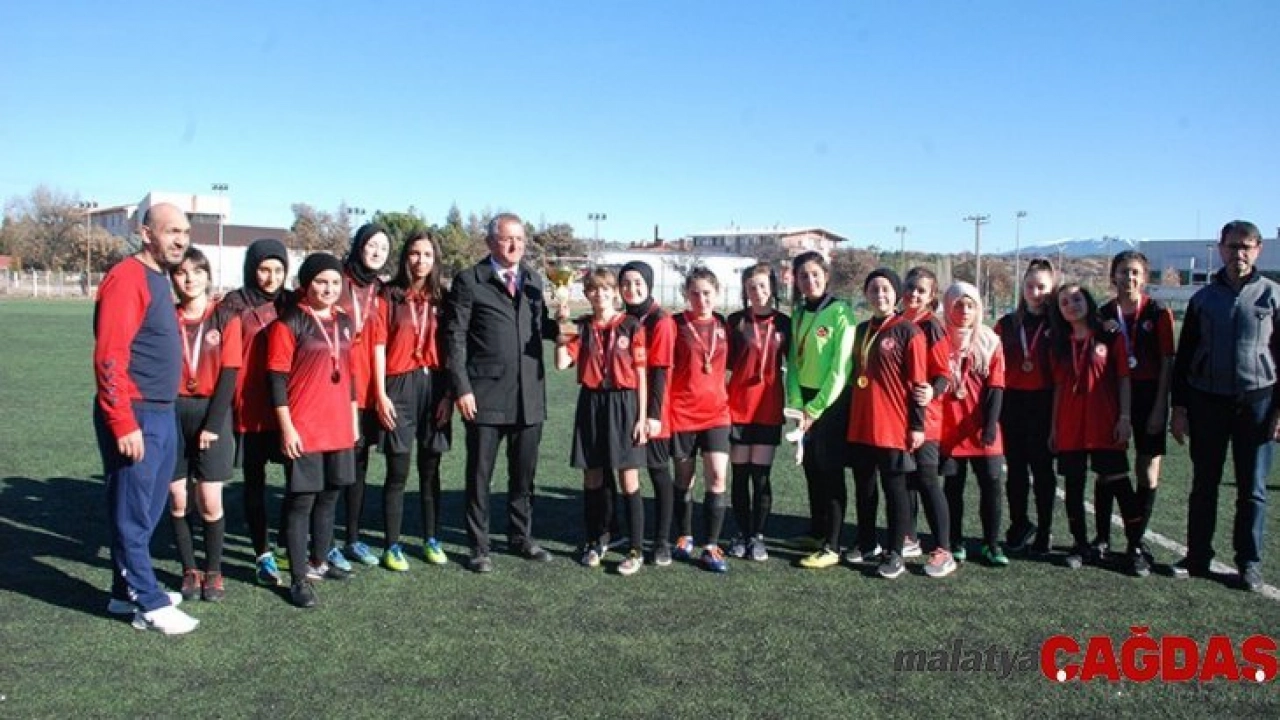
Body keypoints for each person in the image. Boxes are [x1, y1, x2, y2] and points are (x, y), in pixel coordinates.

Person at [93, 202, 199, 634]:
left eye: (185, 232)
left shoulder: (159, 279)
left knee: (148, 508)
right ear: (146, 233)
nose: (180, 240)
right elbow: (109, 356)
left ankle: (124, 593)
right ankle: (149, 602)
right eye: (171, 231)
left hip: (160, 410)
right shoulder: (127, 278)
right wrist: (122, 422)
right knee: (132, 512)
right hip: (136, 413)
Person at [445, 213, 559, 573]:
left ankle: (520, 537)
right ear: (490, 242)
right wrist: (462, 388)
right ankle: (479, 547)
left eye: (520, 239)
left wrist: (564, 323)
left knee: (524, 476)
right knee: (480, 476)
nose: (515, 246)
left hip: (530, 396)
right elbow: (454, 338)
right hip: (485, 395)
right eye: (508, 239)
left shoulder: (534, 281)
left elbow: (541, 328)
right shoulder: (469, 280)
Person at [1171, 220, 1280, 592]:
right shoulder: (1203, 299)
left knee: (1253, 488)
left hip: (1258, 402)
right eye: (1233, 246)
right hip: (1207, 401)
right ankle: (1197, 556)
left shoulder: (1273, 296)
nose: (1239, 254)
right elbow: (1185, 358)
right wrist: (1179, 408)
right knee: (1204, 483)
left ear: (1258, 249)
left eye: (1246, 246)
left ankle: (1249, 562)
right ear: (1221, 249)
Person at [267, 253, 359, 607]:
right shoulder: (290, 322)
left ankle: (320, 559)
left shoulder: (345, 321)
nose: (329, 288)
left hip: (338, 422)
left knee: (331, 494)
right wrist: (287, 428)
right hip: (305, 425)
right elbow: (276, 379)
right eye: (321, 281)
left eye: (335, 282)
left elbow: (350, 373)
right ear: (306, 284)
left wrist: (353, 418)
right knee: (301, 501)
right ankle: (298, 578)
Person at [1048, 283, 1146, 575]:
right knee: (1074, 486)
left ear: (1088, 302)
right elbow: (1058, 388)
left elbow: (1123, 379)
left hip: (1104, 420)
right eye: (1065, 302)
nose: (1072, 305)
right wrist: (1054, 428)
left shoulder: (1109, 335)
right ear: (1059, 311)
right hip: (1070, 423)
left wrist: (1125, 417)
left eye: (1077, 299)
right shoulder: (1059, 343)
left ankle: (1136, 547)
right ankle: (1080, 545)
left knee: (1119, 483)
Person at [556, 268, 648, 575]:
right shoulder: (581, 326)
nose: (600, 294)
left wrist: (642, 416)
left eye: (605, 288)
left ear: (615, 292)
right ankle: (595, 540)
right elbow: (561, 363)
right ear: (587, 294)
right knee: (592, 476)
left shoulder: (631, 325)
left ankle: (635, 549)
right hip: (591, 403)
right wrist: (561, 326)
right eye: (593, 290)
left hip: (624, 403)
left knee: (628, 479)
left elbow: (642, 375)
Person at [373, 230, 453, 570]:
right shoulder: (389, 294)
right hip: (399, 386)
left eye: (427, 254)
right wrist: (380, 393)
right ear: (405, 257)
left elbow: (453, 348)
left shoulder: (444, 298)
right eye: (415, 253)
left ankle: (431, 538)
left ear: (436, 259)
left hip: (435, 385)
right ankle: (391, 545)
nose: (421, 260)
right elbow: (378, 345)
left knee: (431, 469)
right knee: (398, 469)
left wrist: (449, 394)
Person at [169, 247, 243, 602]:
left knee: (210, 499)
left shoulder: (225, 317)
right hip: (172, 412)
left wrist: (213, 424)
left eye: (197, 271)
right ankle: (189, 568)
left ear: (207, 276)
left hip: (212, 412)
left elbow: (230, 372)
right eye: (182, 272)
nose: (190, 279)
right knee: (178, 497)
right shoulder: (166, 317)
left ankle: (213, 570)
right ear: (173, 277)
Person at [1093, 251, 1174, 565]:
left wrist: (1160, 407)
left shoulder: (1158, 312)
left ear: (1144, 277)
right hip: (1113, 397)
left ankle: (1135, 541)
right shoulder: (1102, 314)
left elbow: (1167, 362)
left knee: (1147, 469)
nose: (1129, 278)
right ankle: (1101, 538)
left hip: (1149, 396)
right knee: (1107, 469)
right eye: (1124, 272)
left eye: (1135, 272)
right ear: (1113, 276)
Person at [845, 268, 927, 580]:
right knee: (864, 487)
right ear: (866, 294)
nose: (880, 295)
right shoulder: (860, 330)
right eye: (874, 289)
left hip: (893, 425)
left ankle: (896, 552)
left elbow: (918, 384)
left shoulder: (909, 332)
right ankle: (867, 542)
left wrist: (917, 425)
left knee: (895, 490)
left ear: (896, 295)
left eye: (886, 289)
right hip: (861, 423)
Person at [221, 238, 291, 586]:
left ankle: (288, 542)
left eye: (278, 270)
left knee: (298, 479)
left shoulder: (293, 302)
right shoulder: (234, 304)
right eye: (264, 269)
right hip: (249, 408)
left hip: (287, 409)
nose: (271, 277)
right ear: (252, 269)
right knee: (254, 482)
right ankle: (262, 552)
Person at [786, 252, 857, 569]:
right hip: (805, 403)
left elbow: (840, 370)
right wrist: (797, 403)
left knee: (830, 472)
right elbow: (794, 362)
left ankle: (833, 544)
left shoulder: (841, 312)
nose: (809, 280)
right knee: (812, 468)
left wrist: (815, 408)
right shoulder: (799, 312)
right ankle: (817, 532)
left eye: (815, 274)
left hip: (831, 403)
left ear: (826, 276)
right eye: (803, 276)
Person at [333, 223, 391, 571]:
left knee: (358, 465)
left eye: (383, 247)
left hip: (366, 388)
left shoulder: (380, 290)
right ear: (358, 245)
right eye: (372, 244)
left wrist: (380, 392)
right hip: (333, 386)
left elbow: (380, 343)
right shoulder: (336, 279)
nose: (377, 252)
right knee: (331, 466)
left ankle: (352, 538)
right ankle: (322, 541)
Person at [667, 267, 733, 572]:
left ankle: (711, 545)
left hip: (717, 413)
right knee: (685, 478)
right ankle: (684, 535)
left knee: (718, 476)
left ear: (716, 294)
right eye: (694, 293)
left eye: (707, 293)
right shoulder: (675, 324)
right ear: (686, 294)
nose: (701, 299)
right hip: (682, 413)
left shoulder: (724, 325)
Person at [939, 281, 1008, 566]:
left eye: (970, 305)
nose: (965, 311)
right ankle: (955, 541)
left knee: (991, 483)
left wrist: (990, 425)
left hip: (982, 428)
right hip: (949, 426)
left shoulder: (990, 340)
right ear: (948, 307)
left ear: (978, 308)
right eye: (958, 305)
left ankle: (991, 543)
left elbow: (996, 386)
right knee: (953, 485)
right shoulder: (939, 337)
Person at [725, 263, 790, 562]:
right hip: (738, 407)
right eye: (752, 287)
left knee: (761, 476)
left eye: (763, 285)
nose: (758, 291)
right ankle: (741, 533)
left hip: (768, 407)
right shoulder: (736, 321)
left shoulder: (785, 323)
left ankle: (757, 536)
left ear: (773, 288)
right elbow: (724, 363)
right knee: (740, 475)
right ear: (745, 290)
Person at [995, 258, 1057, 555]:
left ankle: (1045, 530)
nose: (1036, 293)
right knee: (1016, 469)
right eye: (1030, 286)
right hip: (1012, 403)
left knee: (1043, 469)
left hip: (1045, 402)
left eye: (1042, 287)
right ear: (1022, 289)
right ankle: (1019, 524)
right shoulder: (1007, 324)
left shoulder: (1060, 323)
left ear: (1052, 288)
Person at [618, 261, 678, 566]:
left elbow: (660, 371)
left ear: (649, 285)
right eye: (626, 283)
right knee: (626, 470)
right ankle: (627, 533)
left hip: (655, 409)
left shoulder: (660, 320)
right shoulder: (624, 318)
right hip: (628, 407)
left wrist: (653, 415)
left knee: (657, 471)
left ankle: (662, 540)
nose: (632, 289)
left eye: (638, 283)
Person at [900, 267, 956, 577]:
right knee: (906, 477)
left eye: (921, 290)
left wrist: (931, 392)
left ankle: (944, 549)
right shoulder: (897, 322)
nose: (914, 294)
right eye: (910, 287)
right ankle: (909, 537)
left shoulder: (932, 326)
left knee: (927, 479)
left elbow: (944, 375)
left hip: (926, 420)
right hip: (898, 416)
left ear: (931, 295)